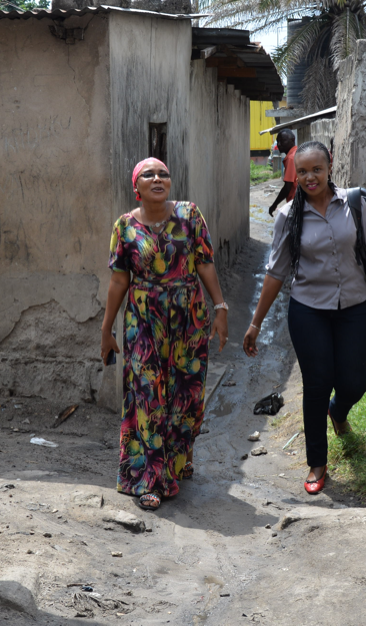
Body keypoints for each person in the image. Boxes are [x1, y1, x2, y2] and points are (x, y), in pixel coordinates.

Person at [243, 141, 366, 495]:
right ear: (295, 175)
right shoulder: (287, 216)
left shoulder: (353, 205)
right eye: (303, 172)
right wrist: (255, 323)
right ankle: (317, 461)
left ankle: (338, 412)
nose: (311, 177)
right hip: (308, 309)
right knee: (316, 382)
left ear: (330, 167)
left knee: (354, 382)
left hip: (354, 306)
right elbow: (276, 272)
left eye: (317, 169)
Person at [101, 157, 229, 511]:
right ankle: (150, 477)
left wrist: (220, 309)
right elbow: (118, 281)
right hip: (143, 319)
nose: (158, 178)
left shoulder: (190, 216)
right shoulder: (125, 227)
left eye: (163, 174)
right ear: (136, 186)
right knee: (146, 394)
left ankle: (177, 458)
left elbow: (204, 263)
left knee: (185, 392)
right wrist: (106, 328)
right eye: (148, 174)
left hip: (188, 316)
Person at [268, 129, 297, 216]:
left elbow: (287, 188)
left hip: (295, 203)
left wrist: (274, 205)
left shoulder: (291, 158)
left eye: (282, 141)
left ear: (292, 140)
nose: (279, 144)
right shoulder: (296, 153)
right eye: (278, 141)